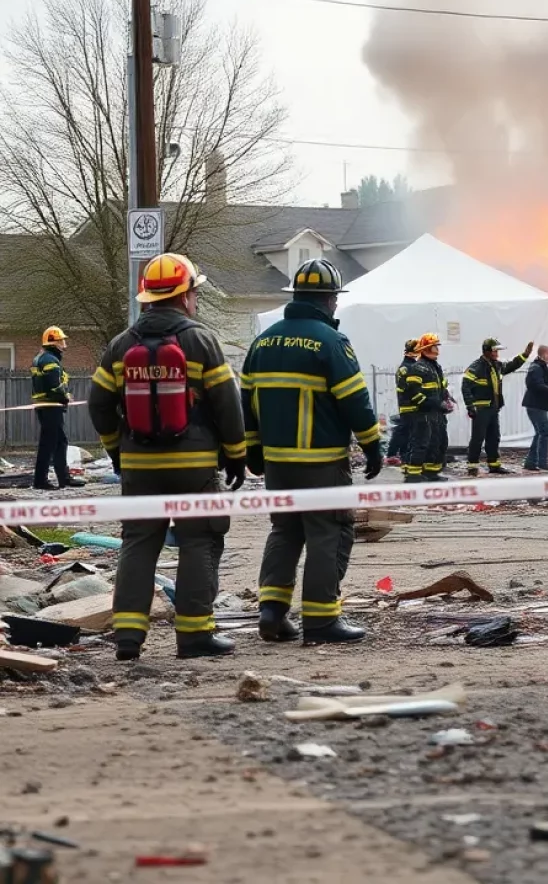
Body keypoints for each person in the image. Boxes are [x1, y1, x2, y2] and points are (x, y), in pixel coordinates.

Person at [88, 253, 247, 661]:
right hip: (193, 465)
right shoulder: (201, 340)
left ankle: (128, 637)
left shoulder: (121, 345)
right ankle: (194, 637)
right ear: (186, 295)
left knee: (139, 542)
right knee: (200, 540)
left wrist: (116, 451)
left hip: (140, 465)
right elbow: (227, 403)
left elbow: (99, 405)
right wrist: (235, 454)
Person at [243, 258, 383, 646]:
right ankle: (321, 621)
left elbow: (246, 400)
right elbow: (355, 401)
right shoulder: (331, 342)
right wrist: (373, 445)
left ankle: (271, 611)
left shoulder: (263, 342)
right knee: (330, 532)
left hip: (276, 462)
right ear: (329, 300)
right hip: (321, 461)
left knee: (285, 530)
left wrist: (253, 450)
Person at [462, 337, 533, 476]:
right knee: (478, 438)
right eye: (495, 351)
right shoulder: (475, 367)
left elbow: (511, 365)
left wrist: (524, 355)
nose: (497, 353)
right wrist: (470, 406)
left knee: (494, 437)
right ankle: (472, 467)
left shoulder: (496, 366)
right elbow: (465, 387)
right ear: (487, 351)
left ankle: (494, 465)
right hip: (481, 410)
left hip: (493, 408)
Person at [32, 326, 81, 491]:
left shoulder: (43, 358)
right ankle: (40, 481)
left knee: (60, 442)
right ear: (54, 342)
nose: (64, 345)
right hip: (50, 406)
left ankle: (63, 478)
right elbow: (54, 385)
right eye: (62, 341)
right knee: (49, 443)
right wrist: (65, 396)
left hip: (46, 406)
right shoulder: (50, 361)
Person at [401, 333, 448, 483]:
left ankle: (431, 473)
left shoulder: (435, 367)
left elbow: (441, 387)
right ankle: (413, 476)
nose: (437, 349)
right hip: (423, 414)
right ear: (427, 348)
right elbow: (413, 392)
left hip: (436, 413)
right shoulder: (418, 367)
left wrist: (446, 399)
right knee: (421, 443)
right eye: (435, 346)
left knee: (437, 443)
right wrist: (431, 404)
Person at [386, 339, 420, 468]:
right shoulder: (406, 368)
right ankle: (396, 455)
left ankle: (400, 455)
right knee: (405, 432)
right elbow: (408, 389)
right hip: (409, 406)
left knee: (407, 432)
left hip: (411, 405)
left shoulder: (411, 366)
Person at [522, 344, 548, 471]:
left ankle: (532, 463)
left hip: (537, 405)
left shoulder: (539, 366)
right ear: (542, 354)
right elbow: (535, 385)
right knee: (544, 432)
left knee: (540, 433)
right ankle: (541, 462)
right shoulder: (536, 368)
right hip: (536, 405)